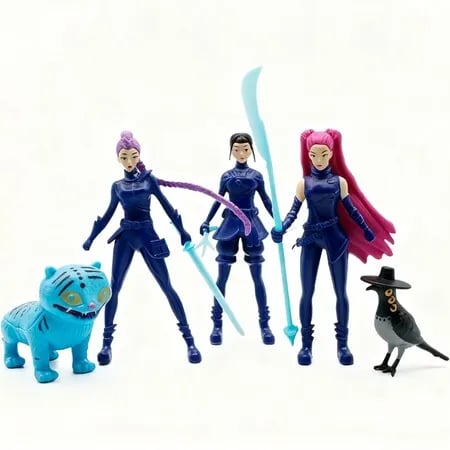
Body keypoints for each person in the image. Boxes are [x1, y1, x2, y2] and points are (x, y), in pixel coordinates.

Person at [271, 129, 395, 366]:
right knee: (307, 292)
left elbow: (351, 209)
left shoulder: (339, 182)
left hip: (335, 238)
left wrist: (366, 228)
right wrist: (282, 229)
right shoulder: (304, 183)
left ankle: (343, 345)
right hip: (311, 239)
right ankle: (306, 345)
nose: (318, 160)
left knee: (340, 292)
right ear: (308, 155)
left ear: (331, 154)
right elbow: (293, 212)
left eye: (323, 154)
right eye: (313, 155)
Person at [83, 131, 201, 365]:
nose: (129, 161)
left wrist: (182, 231)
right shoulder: (117, 186)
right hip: (126, 236)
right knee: (114, 288)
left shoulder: (149, 181)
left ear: (139, 156)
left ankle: (190, 341)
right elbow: (107, 215)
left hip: (148, 235)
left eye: (133, 156)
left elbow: (168, 207)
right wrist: (91, 237)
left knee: (167, 286)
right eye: (124, 157)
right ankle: (106, 344)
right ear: (118, 158)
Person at [200, 132, 275, 345]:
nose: (241, 153)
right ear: (231, 151)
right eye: (237, 149)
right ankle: (217, 325)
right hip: (230, 224)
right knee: (222, 277)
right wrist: (207, 220)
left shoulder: (256, 176)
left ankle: (265, 324)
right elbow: (218, 199)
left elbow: (266, 200)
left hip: (252, 224)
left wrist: (279, 222)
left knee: (257, 276)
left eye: (245, 149)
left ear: (251, 150)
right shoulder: (226, 176)